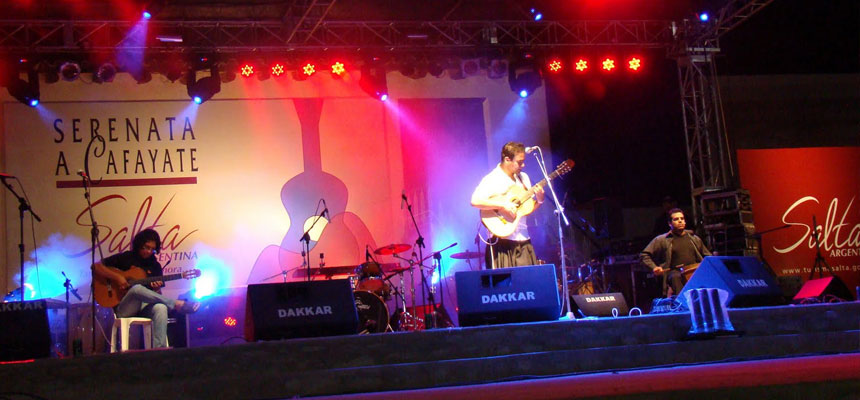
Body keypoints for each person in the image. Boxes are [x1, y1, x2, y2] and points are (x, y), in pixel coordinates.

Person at [93, 228, 199, 348]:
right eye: (146, 247)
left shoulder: (155, 266)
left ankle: (159, 350)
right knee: (136, 289)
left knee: (161, 307)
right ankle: (175, 303)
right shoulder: (127, 257)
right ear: (139, 244)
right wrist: (118, 277)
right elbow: (96, 266)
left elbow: (157, 294)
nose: (149, 251)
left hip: (144, 307)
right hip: (125, 307)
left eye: (152, 249)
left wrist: (156, 289)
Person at [471, 141, 545, 269]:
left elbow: (526, 209)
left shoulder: (524, 178)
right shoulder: (493, 178)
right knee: (505, 286)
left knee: (528, 284)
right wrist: (502, 205)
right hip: (501, 243)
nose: (523, 165)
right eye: (519, 162)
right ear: (507, 159)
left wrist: (540, 200)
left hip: (523, 239)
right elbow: (475, 201)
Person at [640, 208, 712, 297]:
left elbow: (708, 256)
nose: (680, 221)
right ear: (670, 223)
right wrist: (654, 267)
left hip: (694, 271)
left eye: (682, 219)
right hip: (675, 273)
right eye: (676, 219)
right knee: (675, 277)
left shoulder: (694, 238)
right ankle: (683, 305)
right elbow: (644, 255)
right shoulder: (662, 240)